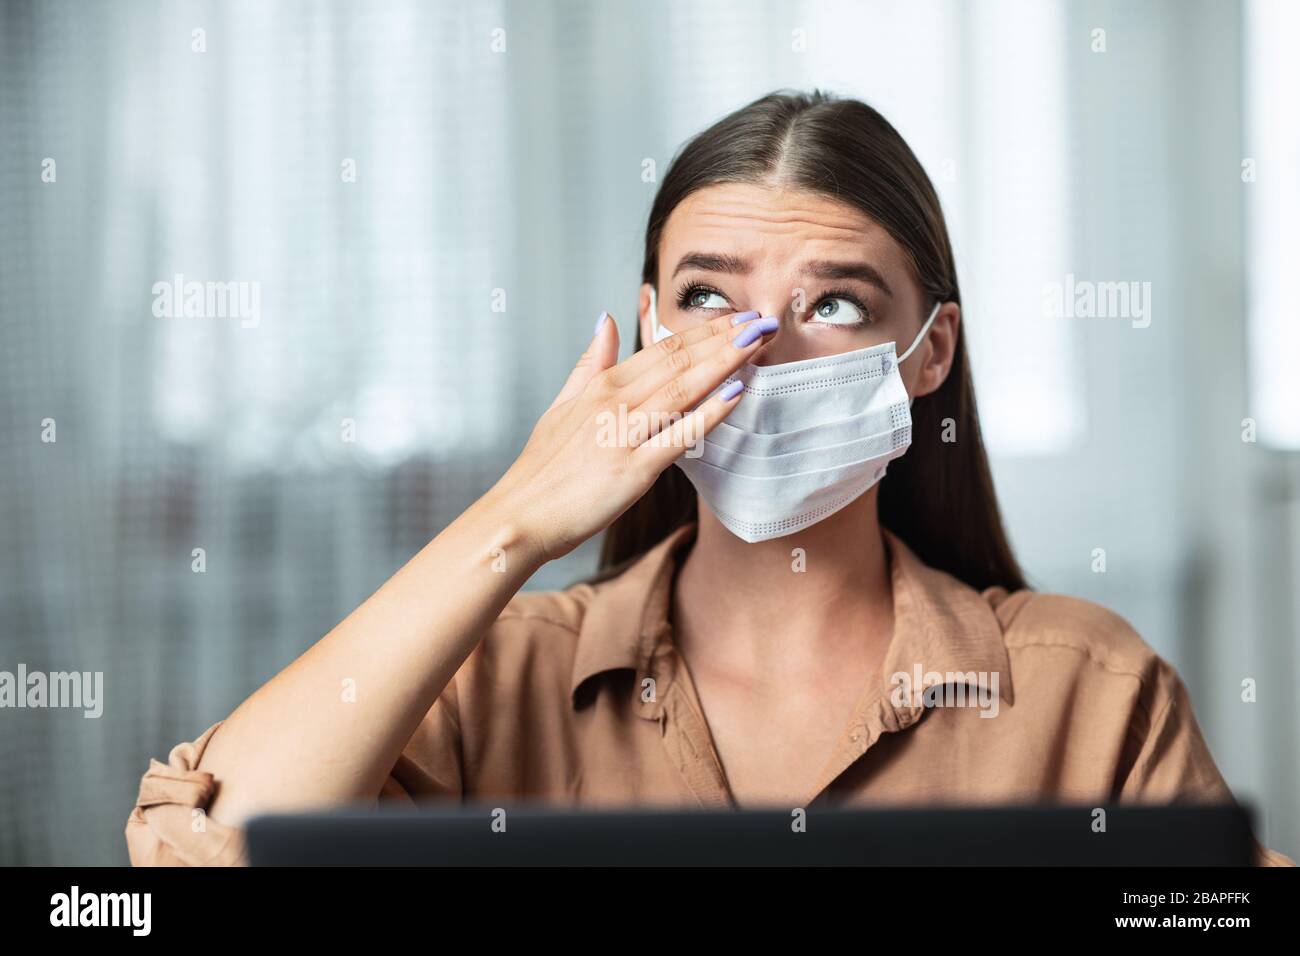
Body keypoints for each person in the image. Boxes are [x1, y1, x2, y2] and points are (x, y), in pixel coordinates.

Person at [126, 90, 1292, 866]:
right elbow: (203, 846)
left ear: (928, 350)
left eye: (832, 303)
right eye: (706, 299)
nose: (760, 347)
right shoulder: (497, 675)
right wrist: (516, 515)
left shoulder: (1084, 689)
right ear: (646, 328)